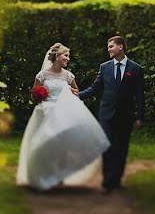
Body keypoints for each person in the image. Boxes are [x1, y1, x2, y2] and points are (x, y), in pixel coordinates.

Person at [16, 43, 110, 191]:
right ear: (57, 56)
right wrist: (38, 95)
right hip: (46, 112)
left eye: (68, 56)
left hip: (64, 113)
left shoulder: (68, 75)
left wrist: (72, 95)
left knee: (62, 145)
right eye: (66, 55)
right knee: (44, 144)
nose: (68, 58)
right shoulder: (42, 75)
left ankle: (58, 176)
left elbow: (76, 92)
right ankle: (44, 174)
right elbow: (34, 94)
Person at [78, 35, 145, 192]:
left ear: (120, 47)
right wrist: (77, 95)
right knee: (107, 146)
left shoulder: (135, 68)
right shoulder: (104, 67)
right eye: (108, 47)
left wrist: (140, 117)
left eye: (111, 46)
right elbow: (95, 88)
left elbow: (139, 95)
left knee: (121, 148)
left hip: (126, 116)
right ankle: (107, 182)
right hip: (106, 115)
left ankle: (116, 181)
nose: (108, 49)